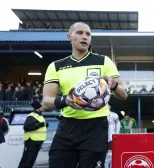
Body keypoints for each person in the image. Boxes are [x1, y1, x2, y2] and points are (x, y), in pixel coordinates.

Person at [42, 22, 128, 168]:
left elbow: (124, 94)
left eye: (88, 34)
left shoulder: (103, 61)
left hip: (96, 127)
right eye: (80, 33)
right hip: (67, 126)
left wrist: (113, 85)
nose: (85, 37)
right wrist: (65, 100)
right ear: (69, 37)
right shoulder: (56, 66)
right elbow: (46, 102)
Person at [18, 101, 48, 168]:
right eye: (41, 106)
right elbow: (27, 127)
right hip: (31, 140)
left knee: (31, 160)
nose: (43, 107)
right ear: (38, 108)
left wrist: (44, 125)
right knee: (27, 160)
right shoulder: (32, 116)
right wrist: (40, 125)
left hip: (37, 140)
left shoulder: (39, 115)